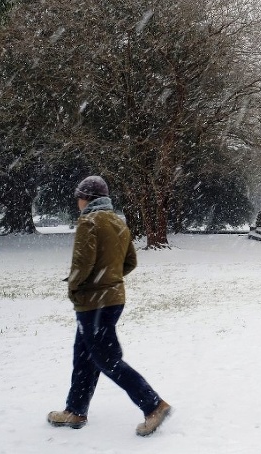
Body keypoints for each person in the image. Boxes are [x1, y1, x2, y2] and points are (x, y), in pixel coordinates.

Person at [47, 175, 171, 437]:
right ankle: (75, 410)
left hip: (93, 303)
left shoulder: (89, 222)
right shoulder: (118, 222)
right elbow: (130, 262)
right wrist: (111, 280)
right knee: (84, 355)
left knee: (106, 358)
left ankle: (153, 404)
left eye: (78, 198)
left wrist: (75, 288)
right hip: (113, 300)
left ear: (86, 198)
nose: (77, 203)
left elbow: (82, 264)